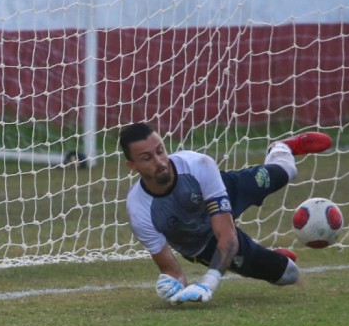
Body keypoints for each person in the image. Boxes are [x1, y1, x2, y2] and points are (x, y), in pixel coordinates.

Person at [119, 122, 333, 305]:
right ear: (132, 165)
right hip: (202, 242)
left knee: (287, 171)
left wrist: (208, 283)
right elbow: (172, 271)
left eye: (160, 150)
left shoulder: (197, 165)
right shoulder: (139, 210)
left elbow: (226, 234)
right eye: (147, 157)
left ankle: (281, 148)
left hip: (223, 191)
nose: (159, 161)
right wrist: (172, 287)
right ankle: (272, 257)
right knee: (289, 274)